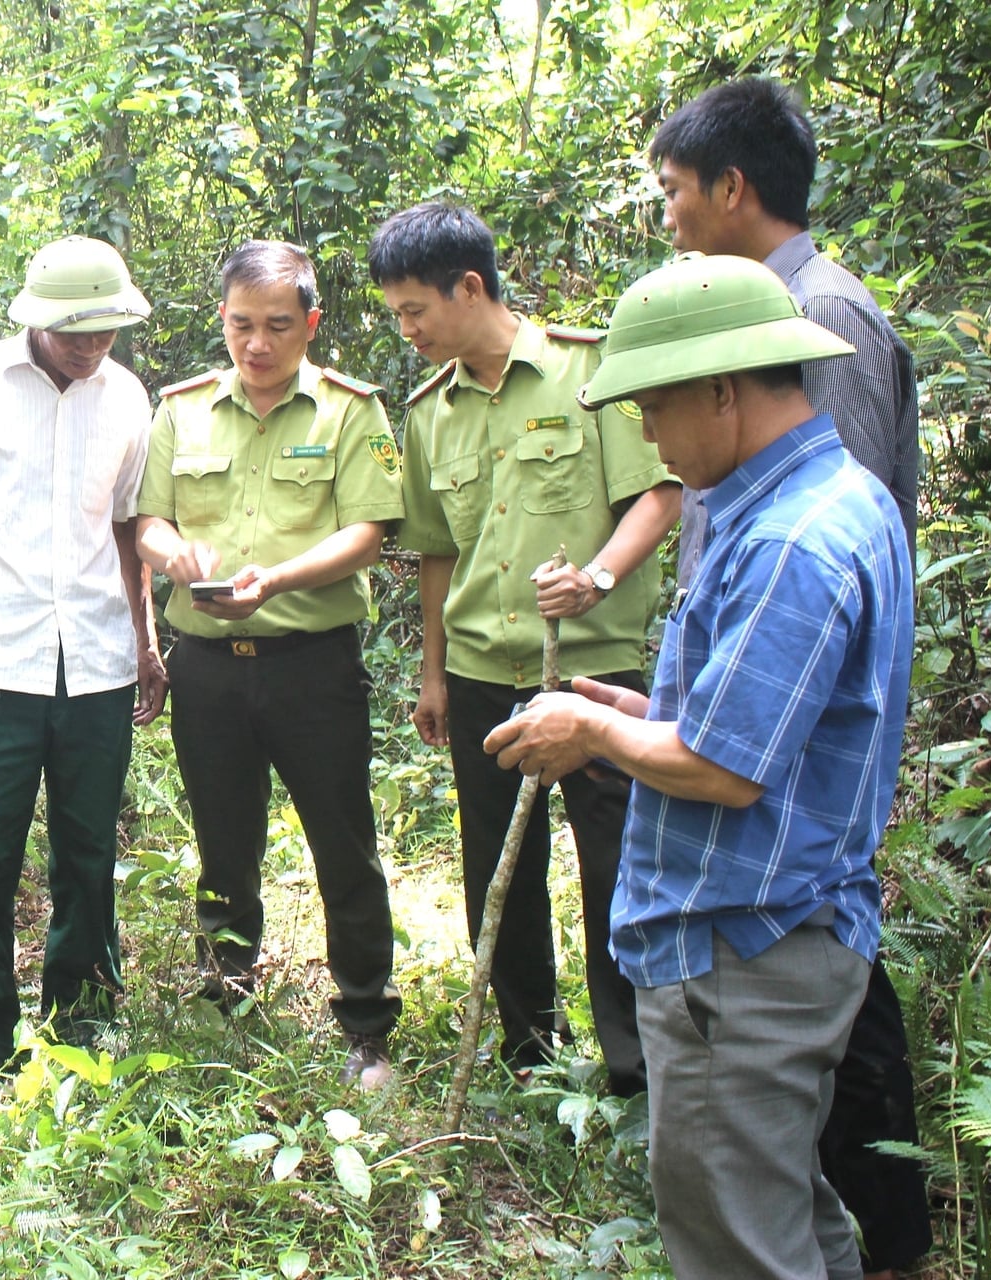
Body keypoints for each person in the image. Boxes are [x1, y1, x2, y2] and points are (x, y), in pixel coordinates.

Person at [486, 253, 914, 1280]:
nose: (646, 436)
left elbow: (724, 769)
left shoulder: (787, 540)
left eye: (654, 406)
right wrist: (637, 711)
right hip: (781, 932)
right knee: (785, 1218)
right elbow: (765, 720)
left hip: (746, 949)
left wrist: (589, 736)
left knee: (739, 1245)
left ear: (722, 389)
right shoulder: (828, 499)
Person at [651, 77, 930, 1278]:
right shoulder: (763, 448)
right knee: (779, 1185)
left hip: (769, 890)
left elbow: (793, 641)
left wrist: (611, 728)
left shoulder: (824, 330)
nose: (651, 450)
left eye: (676, 191)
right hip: (768, 851)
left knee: (774, 1168)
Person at [367, 202, 680, 1097]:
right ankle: (527, 1048)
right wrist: (431, 671)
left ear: (470, 287)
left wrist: (599, 578)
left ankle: (633, 1065)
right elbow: (435, 550)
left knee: (616, 863)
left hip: (593, 674)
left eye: (415, 310)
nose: (408, 329)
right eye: (397, 313)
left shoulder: (590, 375)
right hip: (478, 672)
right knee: (498, 864)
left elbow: (657, 495)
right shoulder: (431, 411)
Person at [0, 236, 167, 1093]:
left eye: (105, 332)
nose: (91, 348)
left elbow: (128, 527)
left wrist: (146, 638)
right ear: (38, 321)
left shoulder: (126, 397)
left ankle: (82, 1017)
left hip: (96, 660)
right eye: (75, 332)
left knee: (88, 850)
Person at [134, 239, 404, 1089]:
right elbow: (146, 521)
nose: (257, 344)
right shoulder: (180, 409)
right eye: (242, 325)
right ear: (222, 318)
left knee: (342, 841)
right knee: (222, 840)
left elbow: (370, 530)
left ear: (311, 323)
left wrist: (277, 581)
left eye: (278, 326)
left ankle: (366, 1023)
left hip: (311, 664)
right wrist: (172, 554)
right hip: (208, 669)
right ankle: (230, 996)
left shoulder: (351, 411)